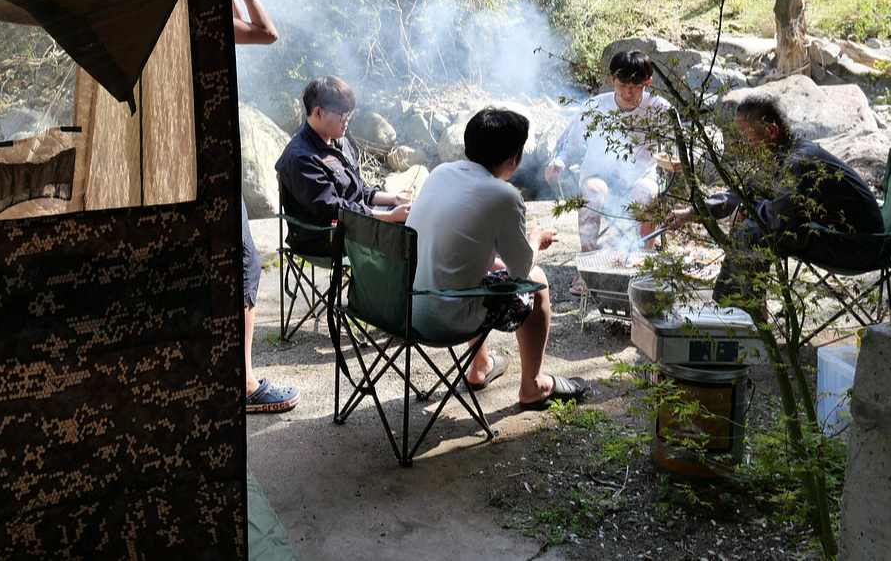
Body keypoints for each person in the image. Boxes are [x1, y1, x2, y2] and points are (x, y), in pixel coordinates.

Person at [408, 107, 588, 410]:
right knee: (538, 281)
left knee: (481, 269)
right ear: (514, 158)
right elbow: (521, 272)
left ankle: (480, 367)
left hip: (406, 308)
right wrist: (535, 240)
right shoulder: (503, 195)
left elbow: (464, 248)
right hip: (445, 319)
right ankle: (533, 386)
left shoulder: (441, 173)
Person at [666, 93, 882, 308]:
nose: (742, 143)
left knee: (751, 232)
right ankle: (740, 307)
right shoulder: (784, 153)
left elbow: (782, 219)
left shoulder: (799, 162)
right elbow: (747, 192)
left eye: (746, 136)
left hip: (857, 246)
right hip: (832, 234)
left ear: (771, 131)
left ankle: (746, 311)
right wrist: (693, 213)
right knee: (750, 227)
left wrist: (747, 211)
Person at [229, 0, 301, 415]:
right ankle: (245, 384)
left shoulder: (180, 4)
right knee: (246, 263)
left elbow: (253, 26)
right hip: (207, 159)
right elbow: (268, 32)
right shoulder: (205, 11)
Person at [544, 50, 671, 292]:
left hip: (641, 176)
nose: (628, 93)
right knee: (593, 192)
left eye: (635, 87)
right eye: (622, 85)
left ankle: (644, 265)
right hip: (598, 174)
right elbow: (570, 144)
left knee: (646, 193)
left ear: (648, 82)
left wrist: (679, 162)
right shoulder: (595, 106)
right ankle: (588, 268)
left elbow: (680, 145)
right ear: (612, 79)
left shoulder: (659, 108)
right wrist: (559, 162)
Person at [275, 75, 412, 255]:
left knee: (415, 214)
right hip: (325, 237)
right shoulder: (300, 157)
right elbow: (332, 209)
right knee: (407, 232)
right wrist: (390, 217)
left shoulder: (340, 142)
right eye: (343, 115)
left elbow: (358, 189)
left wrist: (394, 199)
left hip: (352, 224)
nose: (347, 120)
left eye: (350, 114)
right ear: (318, 113)